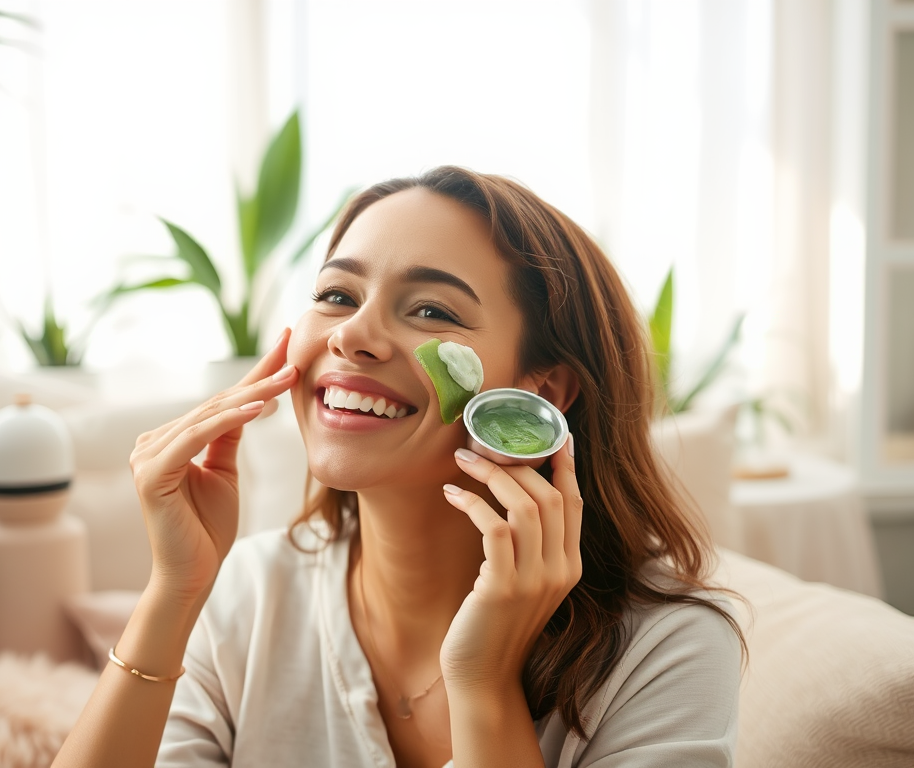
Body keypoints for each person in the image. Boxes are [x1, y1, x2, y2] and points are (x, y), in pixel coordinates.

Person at [53, 166, 744, 768]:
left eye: (431, 309)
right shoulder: (248, 596)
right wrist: (174, 592)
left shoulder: (666, 653)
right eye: (337, 295)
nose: (352, 335)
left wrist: (483, 683)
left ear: (542, 392)